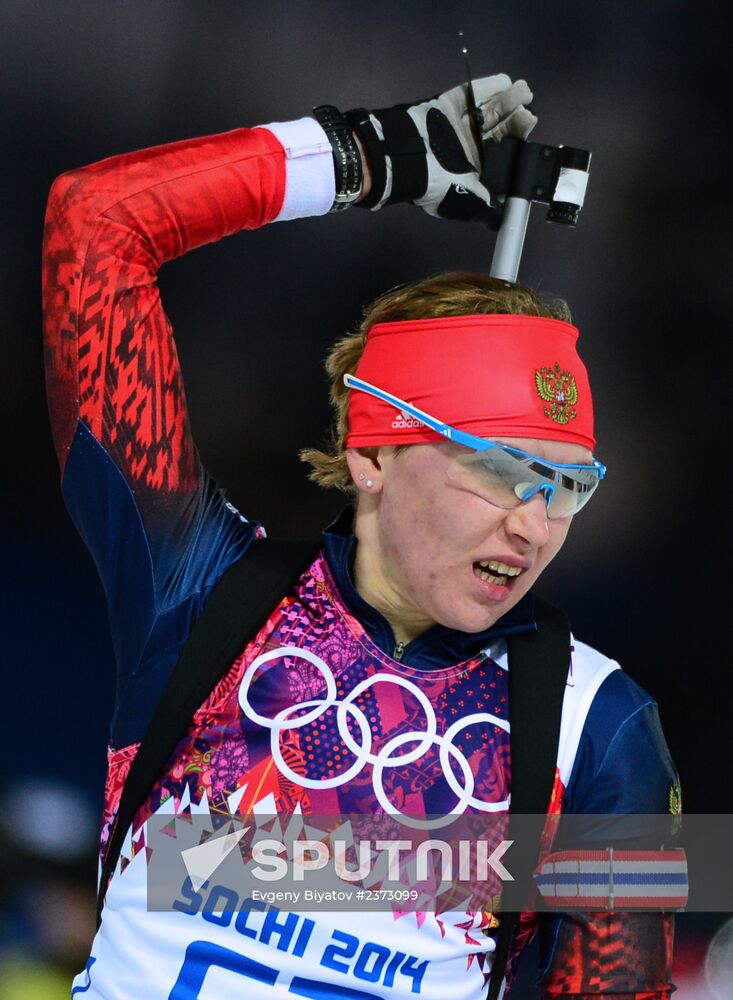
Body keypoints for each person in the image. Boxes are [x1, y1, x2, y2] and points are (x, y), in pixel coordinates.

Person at [43, 72, 679, 998]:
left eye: (566, 485)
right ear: (370, 452)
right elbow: (96, 222)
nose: (533, 523)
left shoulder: (602, 726)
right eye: (500, 470)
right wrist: (364, 157)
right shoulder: (202, 592)